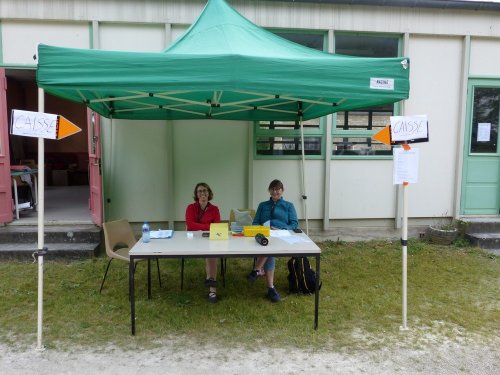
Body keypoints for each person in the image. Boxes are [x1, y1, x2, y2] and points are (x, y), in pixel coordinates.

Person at [248, 179, 298, 302]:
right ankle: (270, 288)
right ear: (269, 190)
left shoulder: (289, 206)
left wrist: (282, 228)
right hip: (264, 234)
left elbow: (294, 224)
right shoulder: (262, 205)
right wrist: (263, 229)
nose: (275, 191)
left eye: (278, 189)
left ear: (282, 190)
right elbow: (255, 223)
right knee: (269, 246)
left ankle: (257, 270)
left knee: (270, 246)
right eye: (273, 189)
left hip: (281, 235)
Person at [185, 182, 221, 303]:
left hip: (209, 238)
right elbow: (189, 224)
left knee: (212, 254)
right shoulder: (191, 208)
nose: (202, 193)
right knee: (210, 255)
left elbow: (216, 227)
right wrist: (207, 226)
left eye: (205, 191)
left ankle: (212, 289)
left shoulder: (215, 209)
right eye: (199, 191)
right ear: (196, 194)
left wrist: (201, 227)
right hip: (192, 239)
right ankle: (209, 278)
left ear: (209, 193)